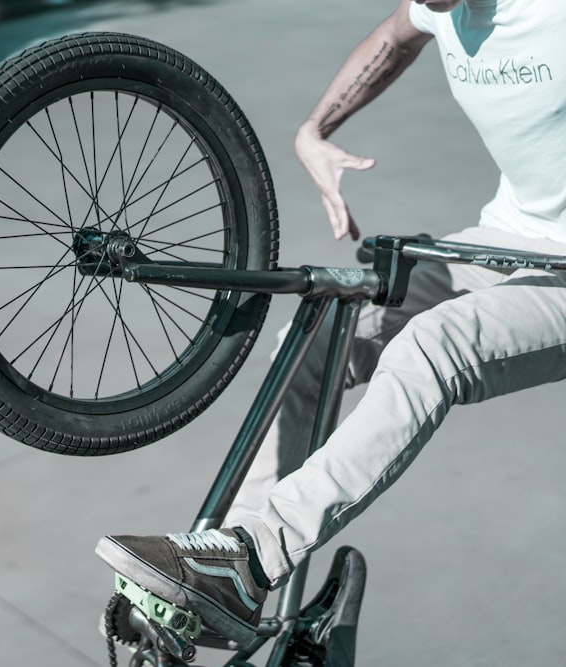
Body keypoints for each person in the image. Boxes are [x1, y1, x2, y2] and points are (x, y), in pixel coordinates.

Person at [96, 0, 566, 644]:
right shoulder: (442, 6)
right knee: (317, 334)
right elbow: (395, 36)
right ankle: (215, 580)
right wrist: (314, 128)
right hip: (505, 237)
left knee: (434, 348)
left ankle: (254, 557)